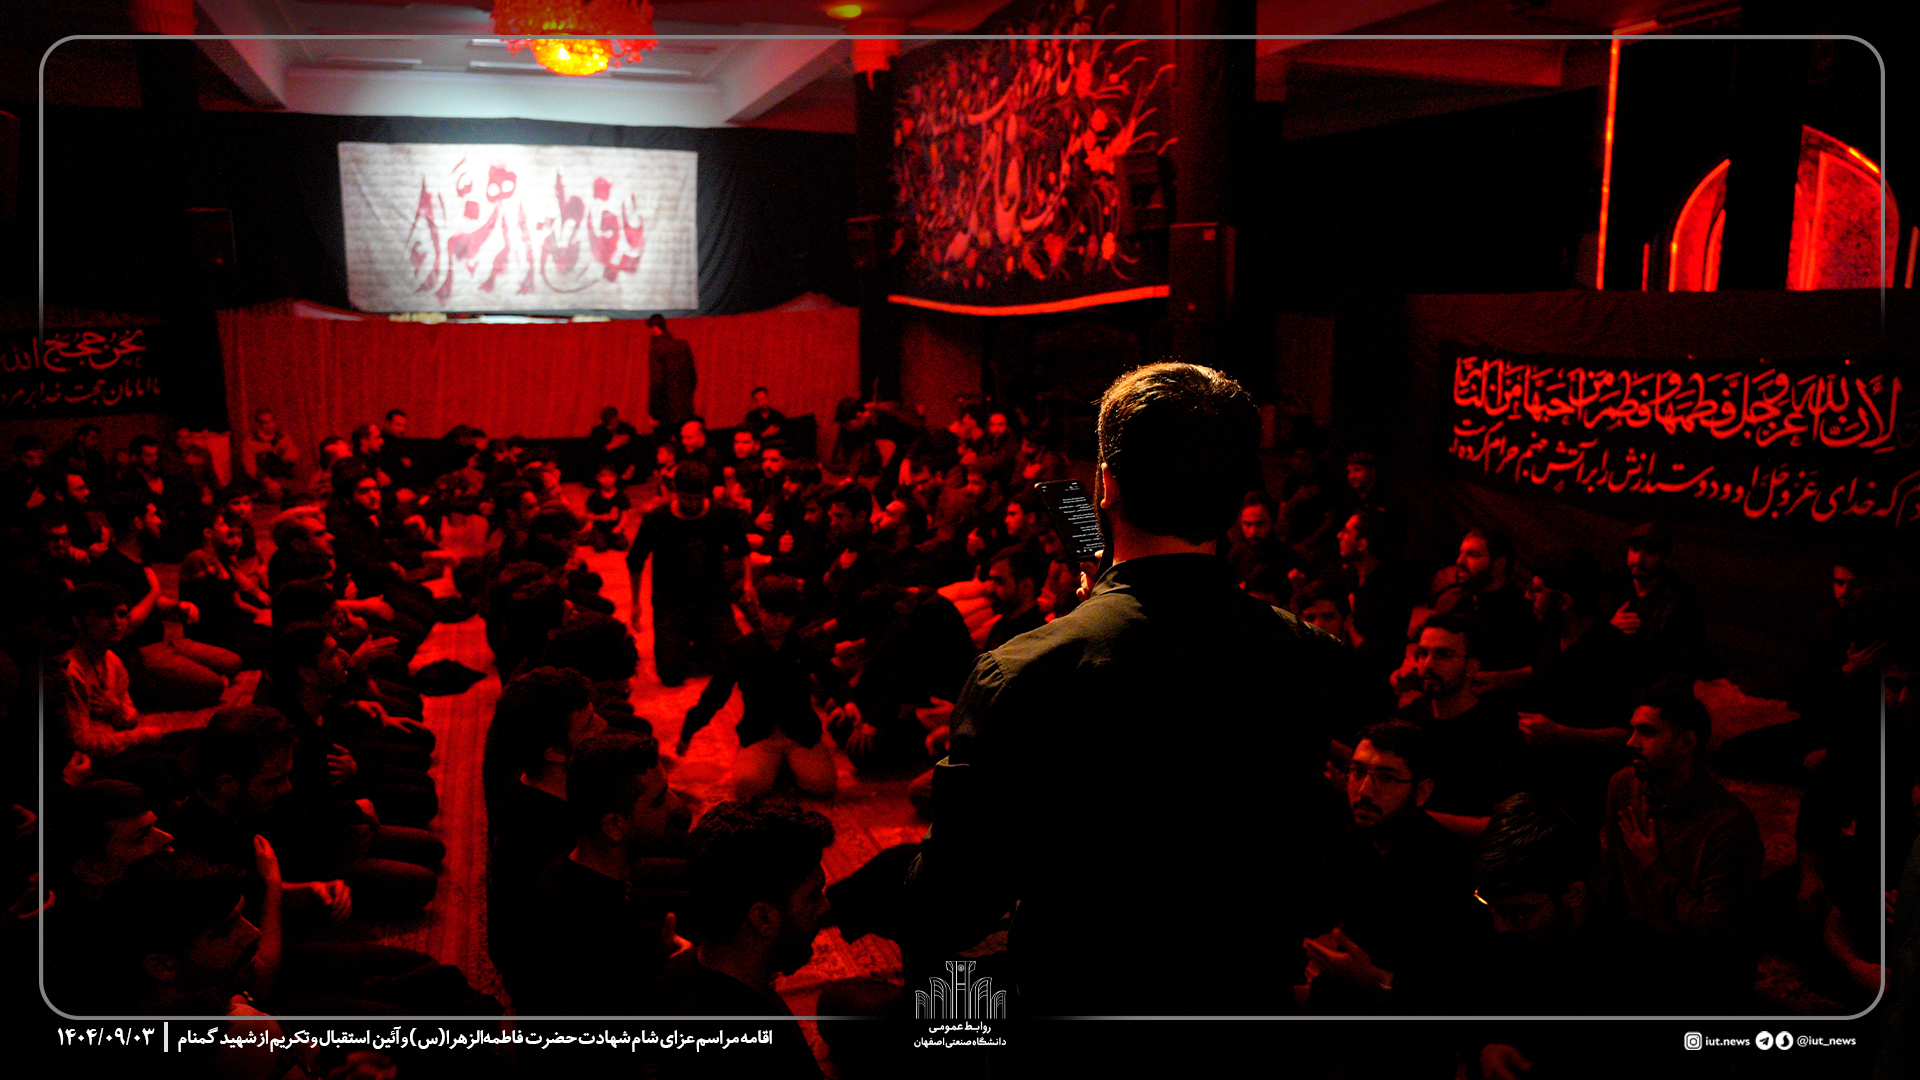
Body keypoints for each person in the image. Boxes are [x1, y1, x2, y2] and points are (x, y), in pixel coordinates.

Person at [905, 362, 1351, 1015]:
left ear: (1106, 484)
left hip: (1083, 1018)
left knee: (913, 1010)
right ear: (1238, 497)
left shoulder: (1024, 672)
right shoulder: (1314, 658)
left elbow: (951, 901)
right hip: (1244, 1017)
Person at [1601, 682, 1764, 1012]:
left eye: (1647, 732)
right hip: (1641, 944)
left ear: (1687, 743)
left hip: (1699, 969)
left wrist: (1652, 868)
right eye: (1632, 730)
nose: (1631, 742)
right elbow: (1615, 881)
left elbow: (1717, 932)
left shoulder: (1727, 825)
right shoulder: (1624, 786)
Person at [1304, 721, 1482, 1014]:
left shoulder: (1448, 869)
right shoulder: (1345, 839)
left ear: (1422, 791)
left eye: (1386, 778)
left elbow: (1457, 993)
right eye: (1357, 772)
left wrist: (1374, 980)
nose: (1364, 790)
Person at [649, 799, 832, 1080]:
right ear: (762, 918)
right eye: (812, 896)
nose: (825, 907)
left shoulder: (680, 969)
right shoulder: (764, 1053)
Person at [517, 732, 683, 1015]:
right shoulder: (611, 936)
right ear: (614, 826)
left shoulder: (557, 870)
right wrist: (667, 962)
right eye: (658, 801)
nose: (675, 803)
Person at [678, 575, 842, 798]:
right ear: (760, 609)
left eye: (786, 616)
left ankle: (785, 765)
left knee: (823, 784)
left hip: (800, 732)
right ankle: (776, 765)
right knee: (748, 786)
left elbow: (830, 675)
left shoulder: (802, 645)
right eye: (772, 614)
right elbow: (715, 694)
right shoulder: (741, 649)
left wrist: (848, 701)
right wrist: (689, 730)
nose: (778, 621)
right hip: (760, 733)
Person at [82, 495, 241, 711]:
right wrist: (155, 592)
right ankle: (141, 690)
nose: (159, 521)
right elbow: (124, 624)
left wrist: (177, 606)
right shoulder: (110, 566)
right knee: (214, 686)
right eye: (153, 515)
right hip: (138, 654)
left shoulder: (138, 558)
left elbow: (149, 603)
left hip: (164, 643)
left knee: (233, 662)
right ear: (137, 522)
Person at [1396, 614, 1525, 830]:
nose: (1427, 664)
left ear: (1472, 667)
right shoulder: (1409, 719)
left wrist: (1411, 818)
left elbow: (1506, 826)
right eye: (1423, 653)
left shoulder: (1498, 733)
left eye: (1443, 654)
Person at [627, 463, 748, 687]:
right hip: (671, 604)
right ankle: (694, 644)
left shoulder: (722, 514)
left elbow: (742, 549)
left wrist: (748, 583)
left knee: (738, 663)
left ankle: (704, 642)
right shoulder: (657, 519)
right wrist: (635, 603)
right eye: (686, 498)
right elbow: (635, 560)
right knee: (671, 674)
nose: (691, 504)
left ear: (705, 493)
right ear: (676, 491)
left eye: (696, 499)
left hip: (713, 602)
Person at [648, 314, 698, 435]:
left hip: (665, 411)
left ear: (654, 328)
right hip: (685, 408)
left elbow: (657, 383)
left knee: (664, 443)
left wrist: (654, 413)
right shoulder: (682, 345)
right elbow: (693, 377)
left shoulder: (657, 349)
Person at [241, 410, 299, 503]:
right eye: (266, 423)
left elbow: (293, 458)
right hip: (262, 482)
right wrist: (267, 481)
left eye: (271, 421)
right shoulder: (250, 442)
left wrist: (281, 452)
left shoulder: (283, 438)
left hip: (283, 478)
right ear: (259, 424)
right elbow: (250, 468)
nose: (270, 425)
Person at [583, 464, 632, 552]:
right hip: (599, 529)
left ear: (616, 477)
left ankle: (608, 540)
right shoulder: (594, 496)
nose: (607, 479)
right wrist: (600, 518)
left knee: (623, 545)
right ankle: (594, 538)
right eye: (603, 476)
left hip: (614, 528)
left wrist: (619, 526)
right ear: (597, 478)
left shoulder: (620, 496)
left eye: (611, 476)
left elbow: (625, 515)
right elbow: (588, 515)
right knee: (600, 547)